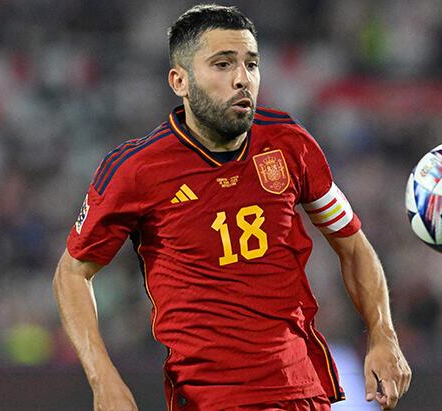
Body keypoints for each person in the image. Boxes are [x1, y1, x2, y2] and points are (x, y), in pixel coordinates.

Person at [53, 4, 411, 410]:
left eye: (251, 64)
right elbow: (72, 273)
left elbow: (353, 244)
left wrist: (383, 335)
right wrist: (103, 379)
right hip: (209, 397)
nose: (243, 79)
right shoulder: (137, 170)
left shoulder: (289, 144)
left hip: (302, 391)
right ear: (180, 81)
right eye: (222, 64)